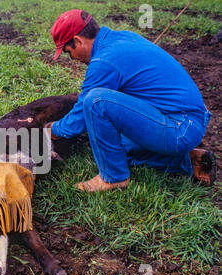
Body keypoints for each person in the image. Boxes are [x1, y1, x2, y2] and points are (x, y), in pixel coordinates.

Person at [45, 9, 215, 192]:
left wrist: (52, 129)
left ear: (78, 41)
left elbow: (78, 120)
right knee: (112, 147)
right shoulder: (122, 37)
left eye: (68, 52)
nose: (72, 58)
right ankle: (190, 162)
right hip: (186, 120)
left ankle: (113, 177)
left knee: (95, 101)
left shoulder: (104, 61)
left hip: (179, 127)